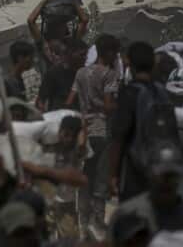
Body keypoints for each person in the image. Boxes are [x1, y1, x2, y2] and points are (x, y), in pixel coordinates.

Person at [110, 41, 180, 203]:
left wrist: (113, 174)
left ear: (129, 63)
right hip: (164, 168)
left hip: (136, 171)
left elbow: (119, 137)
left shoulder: (129, 93)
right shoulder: (162, 91)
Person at [110, 141, 183, 247]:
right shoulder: (128, 214)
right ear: (149, 174)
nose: (166, 182)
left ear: (180, 177)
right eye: (161, 176)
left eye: (172, 176)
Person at [70, 33, 120, 239]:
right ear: (108, 52)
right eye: (114, 54)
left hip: (84, 132)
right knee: (100, 181)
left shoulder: (80, 73)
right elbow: (108, 106)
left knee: (85, 179)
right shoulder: (109, 74)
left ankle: (83, 225)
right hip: (102, 132)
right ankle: (98, 224)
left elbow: (70, 99)